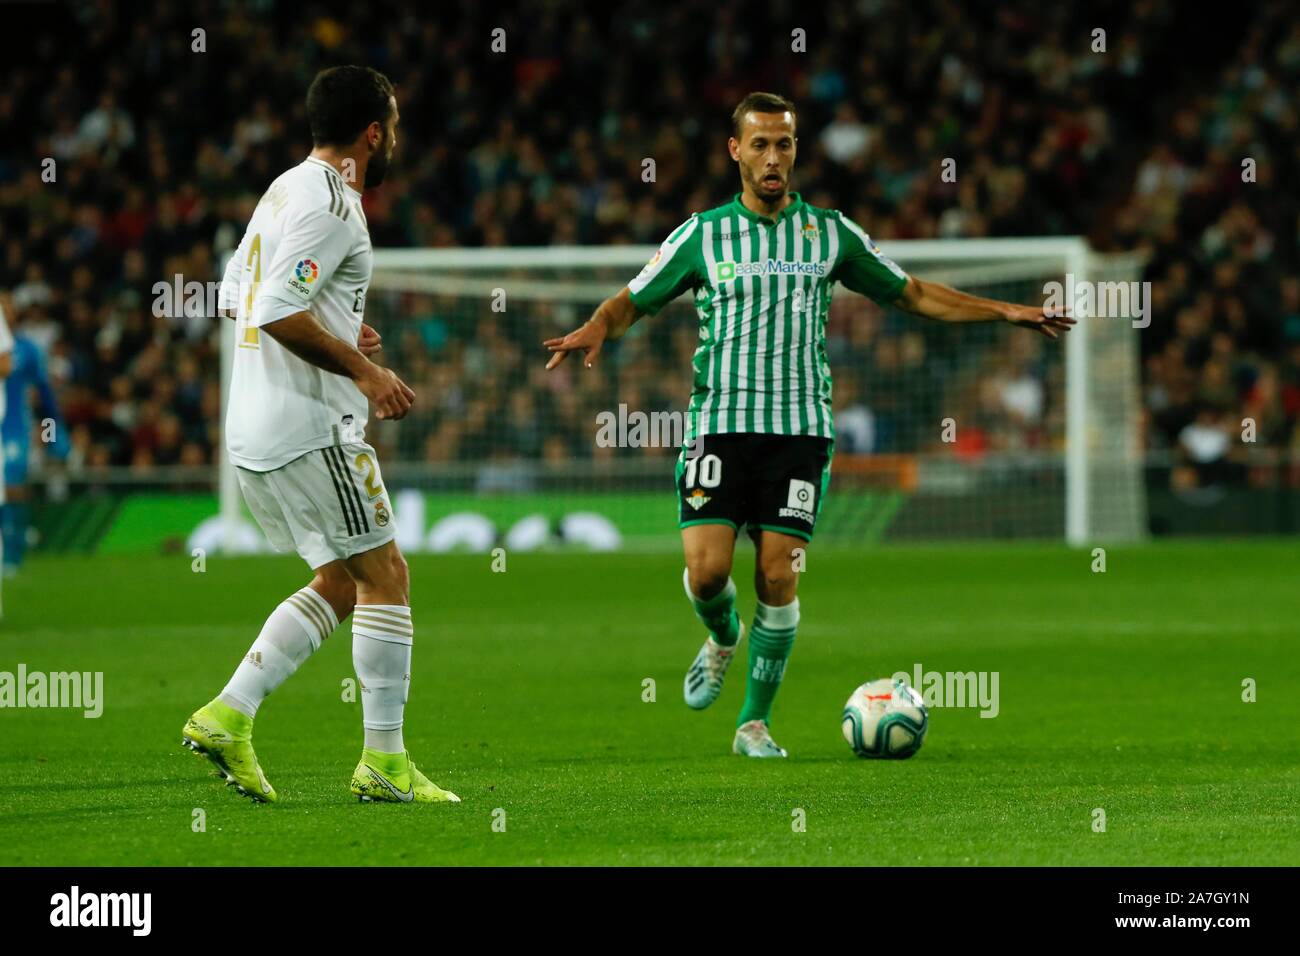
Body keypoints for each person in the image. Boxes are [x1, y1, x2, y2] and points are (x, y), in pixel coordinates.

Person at [544, 92, 1071, 757]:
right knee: (707, 575)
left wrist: (1005, 312)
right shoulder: (702, 234)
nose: (773, 157)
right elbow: (630, 301)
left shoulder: (831, 234)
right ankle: (724, 633)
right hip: (718, 426)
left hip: (799, 434)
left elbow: (911, 293)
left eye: (784, 144)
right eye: (759, 144)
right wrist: (597, 326)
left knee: (779, 576)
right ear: (735, 151)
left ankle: (753, 724)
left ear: (796, 150)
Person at [183, 66, 457, 803]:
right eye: (392, 125)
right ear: (374, 132)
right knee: (387, 574)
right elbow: (273, 308)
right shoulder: (335, 203)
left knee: (341, 580)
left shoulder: (284, 188)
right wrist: (364, 373)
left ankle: (228, 715)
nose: (394, 138)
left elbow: (235, 294)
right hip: (311, 426)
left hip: (257, 421)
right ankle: (385, 763)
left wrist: (336, 327)